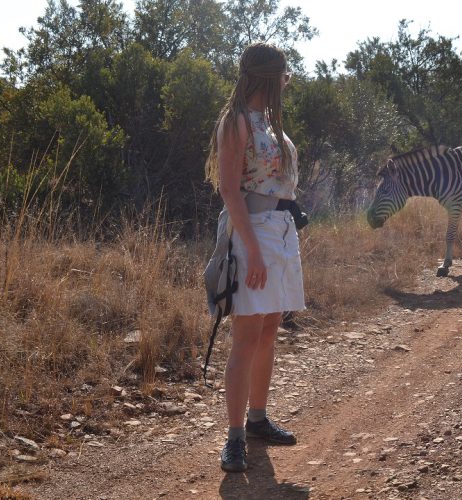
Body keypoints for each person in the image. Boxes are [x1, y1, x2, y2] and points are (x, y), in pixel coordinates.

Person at [205, 42, 305, 473]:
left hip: (280, 232)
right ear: (268, 75)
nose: (288, 79)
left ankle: (258, 419)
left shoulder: (268, 120)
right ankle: (234, 439)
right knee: (246, 338)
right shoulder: (237, 122)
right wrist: (252, 251)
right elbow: (230, 189)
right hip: (255, 235)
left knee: (268, 331)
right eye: (283, 73)